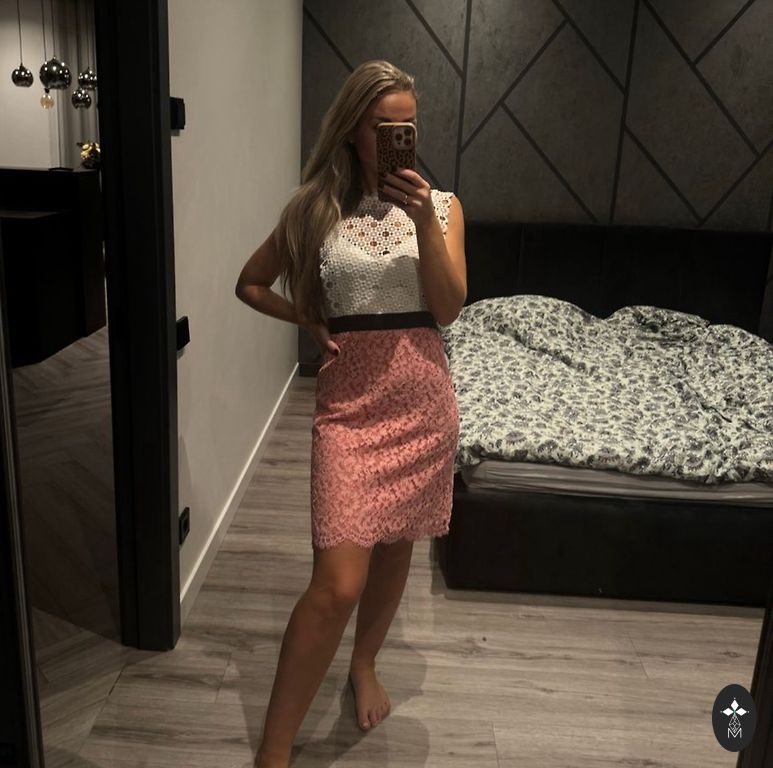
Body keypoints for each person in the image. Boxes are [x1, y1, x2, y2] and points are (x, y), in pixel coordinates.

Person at [235, 59, 466, 768]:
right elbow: (249, 283)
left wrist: (423, 221)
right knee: (336, 584)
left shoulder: (444, 208)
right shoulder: (312, 210)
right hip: (347, 412)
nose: (399, 138)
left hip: (421, 404)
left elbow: (448, 306)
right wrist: (306, 317)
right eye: (383, 126)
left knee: (395, 546)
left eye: (409, 126)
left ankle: (364, 664)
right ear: (351, 131)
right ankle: (274, 753)